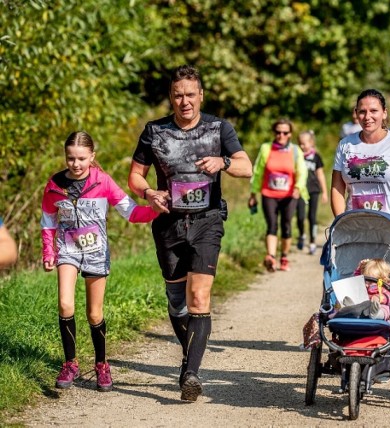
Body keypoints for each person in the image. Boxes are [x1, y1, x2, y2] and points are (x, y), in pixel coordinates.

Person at [128, 65, 253, 402]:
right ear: (172, 97)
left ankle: (191, 373)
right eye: (178, 95)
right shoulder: (155, 131)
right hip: (168, 223)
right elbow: (135, 176)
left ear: (201, 96)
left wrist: (223, 163)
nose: (185, 101)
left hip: (207, 221)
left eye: (190, 94)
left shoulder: (218, 129)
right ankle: (190, 358)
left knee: (199, 298)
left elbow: (247, 166)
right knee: (177, 301)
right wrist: (149, 194)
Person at [41, 131, 159, 392]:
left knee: (94, 313)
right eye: (70, 158)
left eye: (82, 158)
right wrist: (49, 253)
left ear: (92, 156)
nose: (76, 164)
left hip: (96, 252)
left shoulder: (103, 182)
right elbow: (48, 221)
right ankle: (70, 363)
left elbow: (131, 212)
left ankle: (102, 365)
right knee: (64, 304)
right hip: (67, 250)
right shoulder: (54, 185)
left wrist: (155, 210)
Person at [331, 88, 390, 225]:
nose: (367, 117)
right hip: (355, 228)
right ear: (356, 114)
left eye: (373, 111)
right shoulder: (345, 145)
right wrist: (341, 221)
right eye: (362, 112)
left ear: (384, 113)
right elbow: (337, 188)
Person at [249, 119, 308, 272]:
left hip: (289, 194)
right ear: (274, 133)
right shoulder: (266, 148)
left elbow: (302, 171)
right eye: (278, 132)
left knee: (286, 226)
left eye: (285, 132)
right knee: (272, 225)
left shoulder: (295, 150)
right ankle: (271, 257)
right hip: (269, 193)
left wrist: (298, 187)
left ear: (290, 134)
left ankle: (284, 257)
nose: (281, 135)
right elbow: (258, 171)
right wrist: (253, 194)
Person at [295, 130, 327, 255]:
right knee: (300, 216)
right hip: (300, 190)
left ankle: (312, 242)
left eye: (304, 144)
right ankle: (302, 234)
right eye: (300, 144)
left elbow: (320, 175)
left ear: (311, 143)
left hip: (313, 190)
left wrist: (324, 192)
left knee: (312, 217)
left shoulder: (316, 157)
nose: (302, 146)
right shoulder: (296, 156)